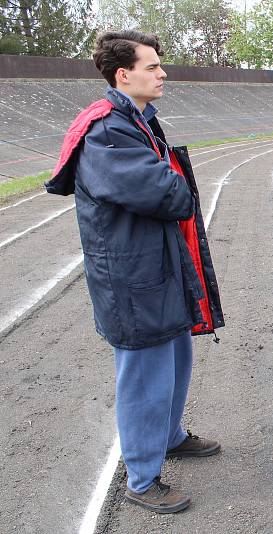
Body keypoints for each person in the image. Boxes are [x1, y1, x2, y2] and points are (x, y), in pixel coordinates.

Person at [46, 30, 225, 513]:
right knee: (145, 374)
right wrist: (176, 183)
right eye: (152, 66)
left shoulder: (139, 121)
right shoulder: (107, 130)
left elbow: (169, 187)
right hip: (132, 275)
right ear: (123, 75)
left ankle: (169, 436)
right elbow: (167, 194)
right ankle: (143, 479)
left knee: (176, 357)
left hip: (157, 264)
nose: (162, 72)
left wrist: (172, 181)